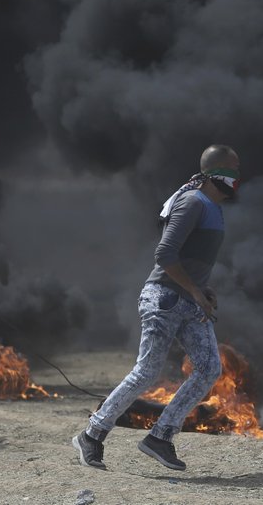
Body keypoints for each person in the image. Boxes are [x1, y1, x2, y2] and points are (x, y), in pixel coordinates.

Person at [73, 145, 240, 471]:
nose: (238, 179)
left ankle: (160, 437)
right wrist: (194, 290)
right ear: (216, 172)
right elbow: (164, 255)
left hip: (189, 301)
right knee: (147, 372)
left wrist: (202, 289)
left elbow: (189, 260)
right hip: (164, 300)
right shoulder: (192, 202)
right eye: (234, 171)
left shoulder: (212, 208)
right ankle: (91, 435)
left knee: (208, 369)